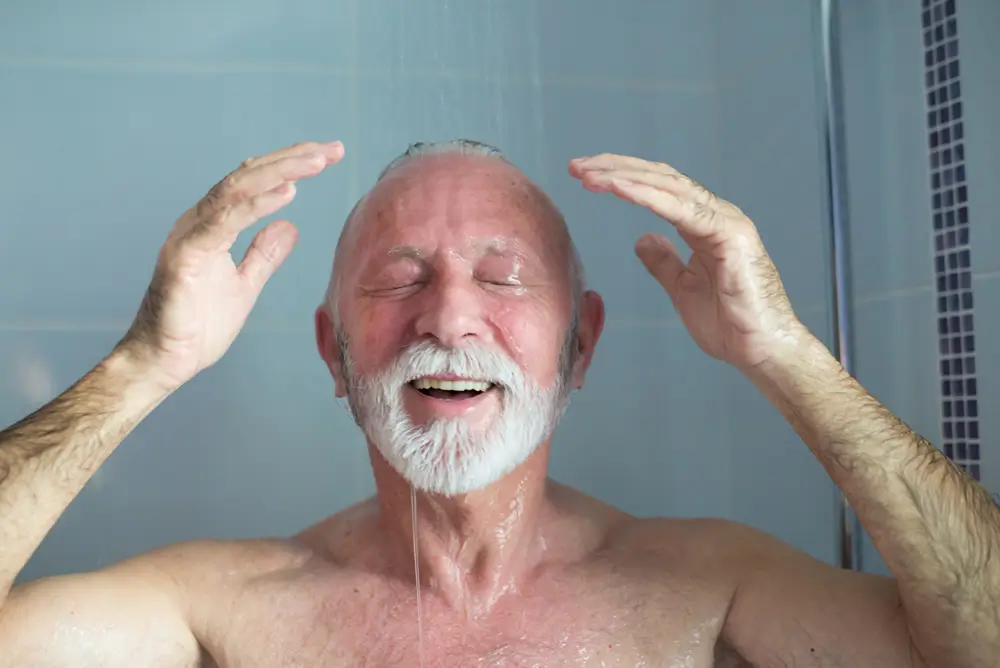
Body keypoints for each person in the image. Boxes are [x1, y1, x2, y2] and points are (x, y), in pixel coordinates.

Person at [0, 138, 996, 668]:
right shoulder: (219, 607)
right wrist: (146, 362)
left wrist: (785, 356)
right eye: (398, 277)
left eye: (503, 276)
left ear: (582, 345)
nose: (450, 317)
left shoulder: (708, 591)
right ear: (332, 351)